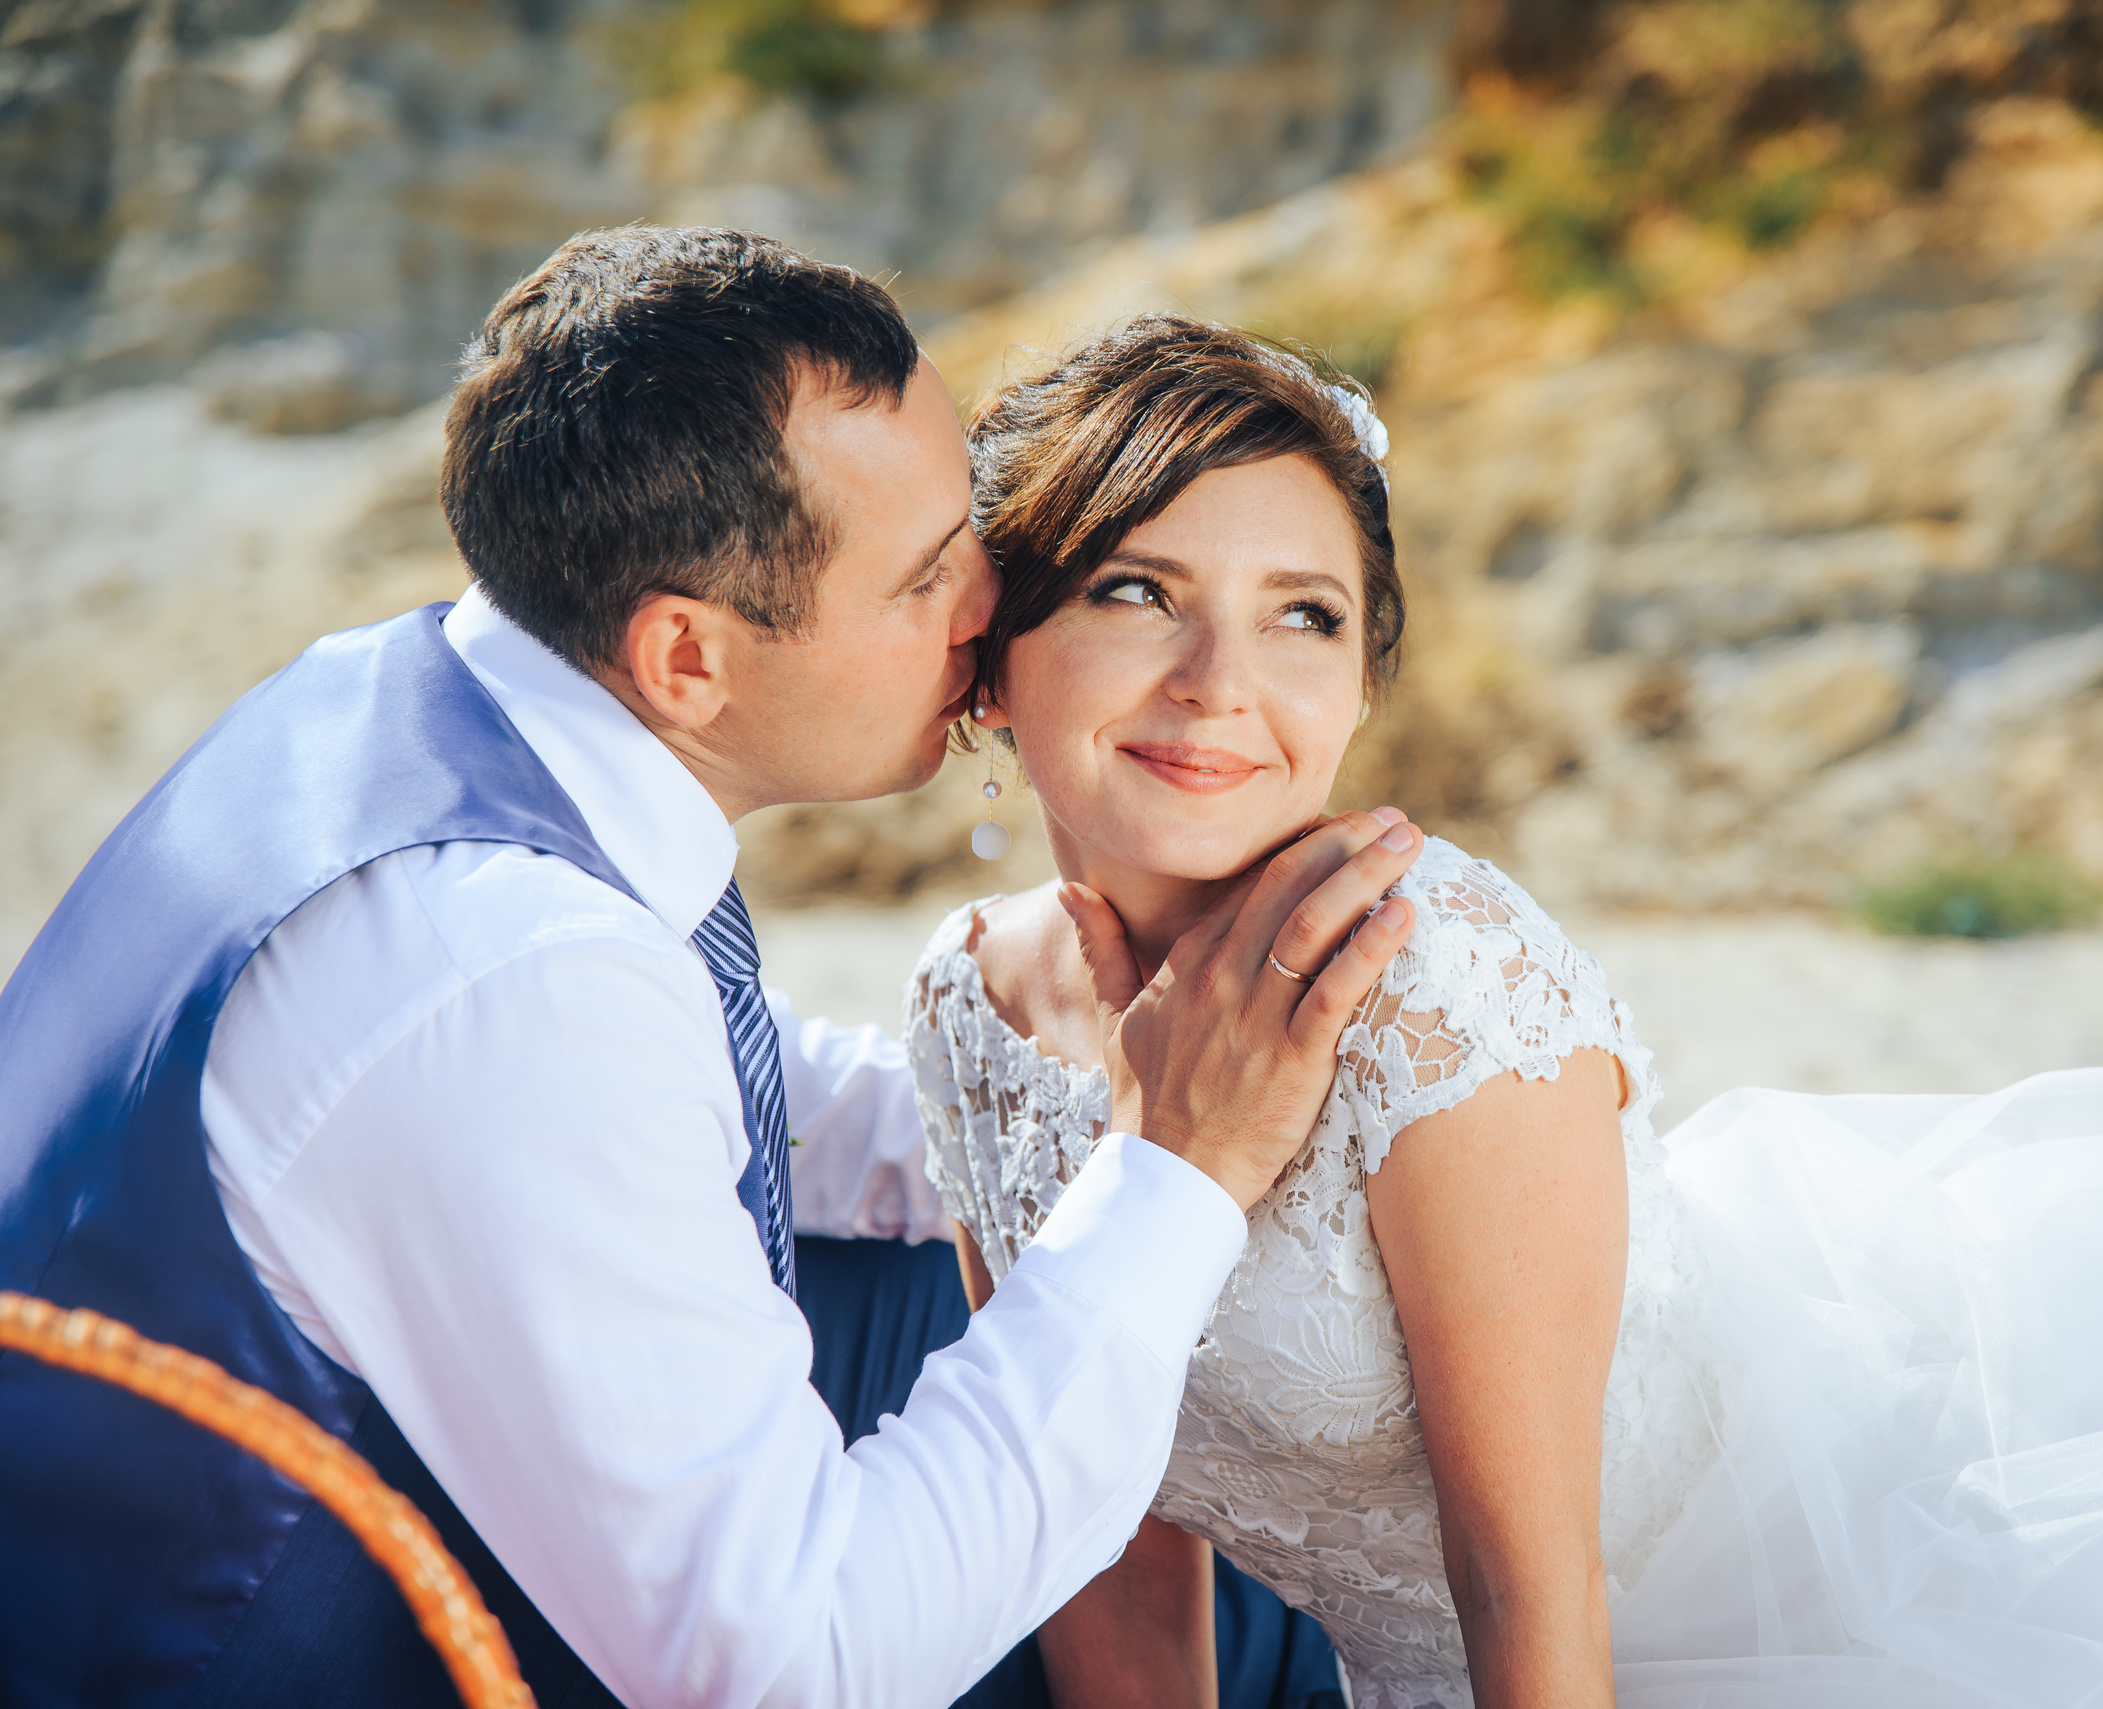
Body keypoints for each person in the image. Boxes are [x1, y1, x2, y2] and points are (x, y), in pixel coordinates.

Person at [907, 313, 2103, 1709]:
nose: (1221, 684)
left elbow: (1531, 1601)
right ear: (991, 654)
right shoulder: (972, 1007)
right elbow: (1099, 1502)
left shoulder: (1440, 989)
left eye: (1304, 616)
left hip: (1757, 1630)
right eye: (1137, 590)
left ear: (1364, 677)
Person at [0, 230, 1428, 1709]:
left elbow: (695, 1100)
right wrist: (1172, 1171)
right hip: (275, 1654)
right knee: (1273, 1614)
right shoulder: (501, 969)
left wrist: (1067, 1095)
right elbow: (791, 1666)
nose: (990, 606)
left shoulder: (414, 700)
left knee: (1078, 1347)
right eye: (930, 574)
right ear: (688, 659)